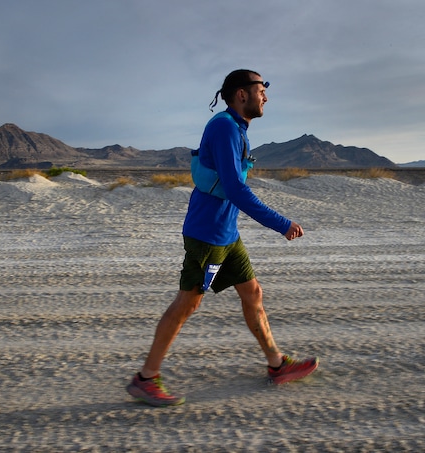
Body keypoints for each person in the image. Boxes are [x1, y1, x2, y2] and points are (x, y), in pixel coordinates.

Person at [126, 69, 319, 406]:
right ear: (241, 94)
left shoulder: (236, 129)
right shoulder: (225, 127)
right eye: (262, 90)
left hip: (227, 234)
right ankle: (146, 378)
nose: (266, 97)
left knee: (252, 291)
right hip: (208, 235)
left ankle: (276, 364)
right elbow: (235, 189)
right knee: (188, 302)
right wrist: (281, 223)